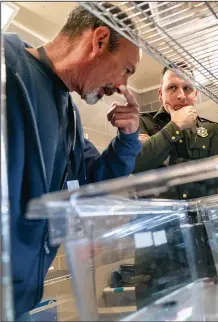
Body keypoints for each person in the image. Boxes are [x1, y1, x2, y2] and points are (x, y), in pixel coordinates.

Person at [4, 3, 142, 320]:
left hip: (19, 300)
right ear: (99, 40)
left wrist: (129, 138)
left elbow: (93, 185)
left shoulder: (69, 113)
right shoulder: (9, 67)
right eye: (127, 70)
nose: (121, 86)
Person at [132, 63, 218, 309]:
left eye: (187, 88)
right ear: (161, 94)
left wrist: (167, 160)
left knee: (208, 310)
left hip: (203, 243)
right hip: (155, 248)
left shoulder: (212, 131)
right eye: (172, 88)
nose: (180, 95)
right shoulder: (141, 125)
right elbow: (135, 165)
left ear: (196, 93)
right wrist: (174, 128)